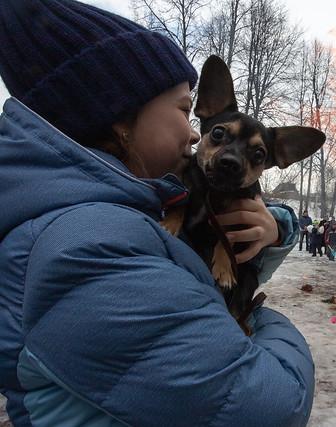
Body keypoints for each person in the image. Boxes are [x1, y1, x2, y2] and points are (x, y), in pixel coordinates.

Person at [0, 2, 313, 426]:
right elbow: (268, 406)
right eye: (186, 111)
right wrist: (264, 321)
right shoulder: (87, 246)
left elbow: (195, 276)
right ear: (120, 115)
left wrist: (274, 231)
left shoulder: (120, 210)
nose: (192, 132)